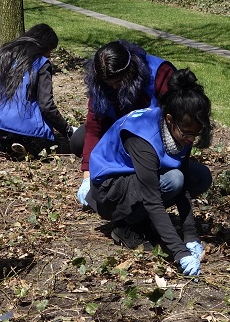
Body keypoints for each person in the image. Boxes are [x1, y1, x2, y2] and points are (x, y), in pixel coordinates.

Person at [86, 69, 212, 275]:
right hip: (108, 191)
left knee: (199, 176)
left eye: (196, 134)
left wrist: (190, 235)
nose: (191, 140)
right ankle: (126, 225)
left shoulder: (182, 129)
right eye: (188, 134)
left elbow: (186, 183)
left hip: (135, 177)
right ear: (170, 120)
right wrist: (180, 253)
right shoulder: (143, 137)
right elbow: (152, 198)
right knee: (174, 180)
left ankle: (141, 219)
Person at [71, 40, 211, 207]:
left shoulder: (160, 74)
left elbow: (182, 124)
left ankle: (135, 216)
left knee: (191, 178)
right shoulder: (102, 85)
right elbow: (95, 128)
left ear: (131, 70)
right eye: (110, 85)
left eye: (119, 82)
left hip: (153, 150)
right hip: (120, 148)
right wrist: (87, 177)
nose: (115, 88)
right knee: (79, 139)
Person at [0, 23, 73, 158]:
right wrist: (66, 130)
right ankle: (23, 141)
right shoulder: (41, 63)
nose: (50, 55)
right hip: (17, 121)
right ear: (43, 46)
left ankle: (8, 138)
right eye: (50, 50)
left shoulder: (3, 52)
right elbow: (46, 105)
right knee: (37, 126)